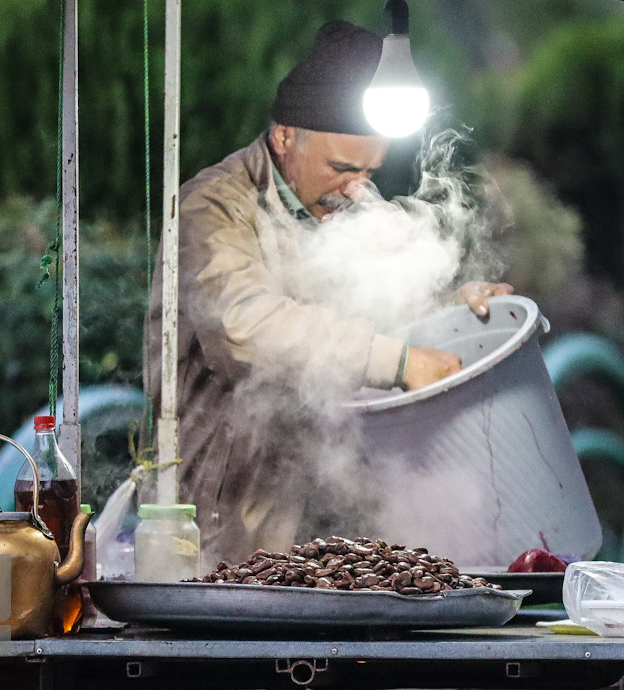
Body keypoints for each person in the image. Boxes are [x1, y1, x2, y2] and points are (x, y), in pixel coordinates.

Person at [147, 20, 510, 562]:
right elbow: (243, 328)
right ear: (284, 137)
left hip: (339, 499)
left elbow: (389, 315)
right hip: (226, 519)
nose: (358, 188)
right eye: (342, 168)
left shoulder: (349, 203)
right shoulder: (211, 208)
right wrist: (396, 360)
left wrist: (453, 313)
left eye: (370, 171)